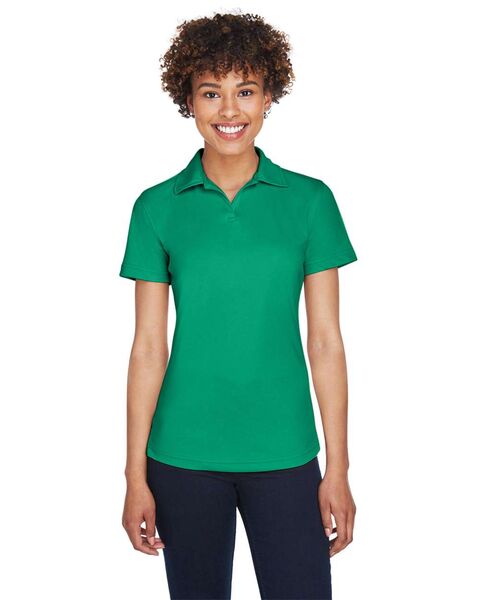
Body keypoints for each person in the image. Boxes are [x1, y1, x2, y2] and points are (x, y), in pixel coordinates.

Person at [119, 11, 357, 600]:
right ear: (189, 101)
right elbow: (148, 347)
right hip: (182, 455)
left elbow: (325, 340)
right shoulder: (156, 207)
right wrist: (134, 476)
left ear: (269, 96)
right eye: (211, 93)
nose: (229, 109)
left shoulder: (310, 201)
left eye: (245, 91)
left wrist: (338, 468)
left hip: (286, 450)